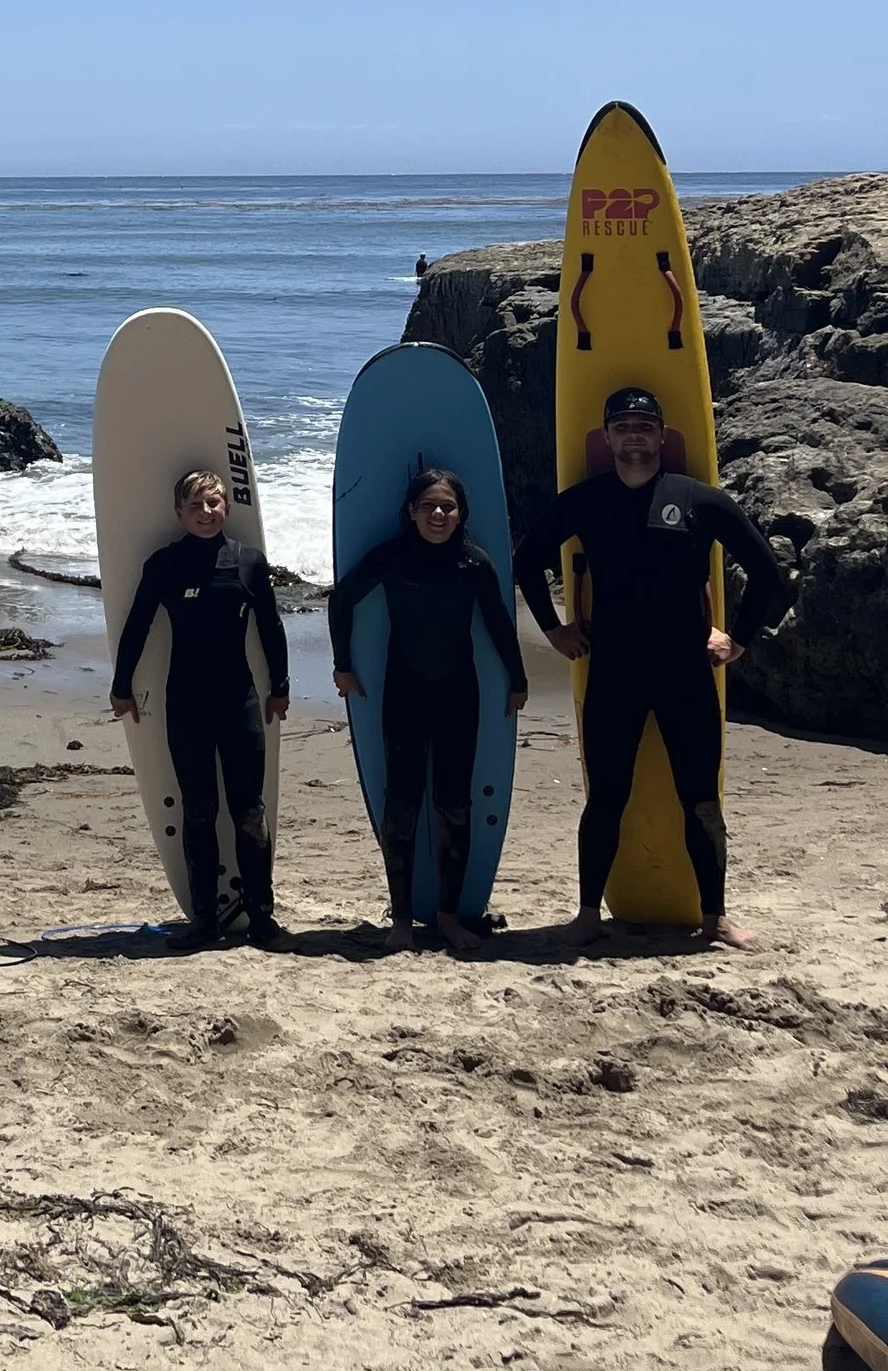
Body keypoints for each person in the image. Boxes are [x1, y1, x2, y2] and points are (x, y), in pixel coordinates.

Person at [511, 385, 791, 951]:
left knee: (701, 799)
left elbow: (768, 573)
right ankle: (588, 915)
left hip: (686, 674)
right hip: (612, 673)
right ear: (607, 437)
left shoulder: (697, 499)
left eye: (644, 425)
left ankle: (715, 919)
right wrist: (553, 627)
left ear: (662, 436)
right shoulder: (585, 500)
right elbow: (526, 559)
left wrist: (739, 641)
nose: (633, 434)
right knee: (606, 797)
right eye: (623, 426)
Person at [327, 466, 525, 953]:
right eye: (428, 506)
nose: (438, 514)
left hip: (460, 694)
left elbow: (499, 624)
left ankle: (448, 918)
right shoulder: (391, 558)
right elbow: (342, 601)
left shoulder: (474, 564)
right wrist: (343, 666)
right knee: (402, 804)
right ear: (411, 512)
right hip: (405, 693)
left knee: (455, 806)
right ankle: (400, 921)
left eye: (448, 507)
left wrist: (518, 680)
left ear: (461, 515)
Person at [110, 469, 289, 949]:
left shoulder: (249, 562)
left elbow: (270, 628)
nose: (206, 513)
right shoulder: (165, 564)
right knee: (199, 811)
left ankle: (262, 919)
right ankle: (204, 922)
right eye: (196, 505)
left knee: (249, 811)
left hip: (241, 703)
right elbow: (138, 626)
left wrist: (281, 687)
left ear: (226, 507)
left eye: (214, 503)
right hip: (186, 704)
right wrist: (121, 686)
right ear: (179, 512)